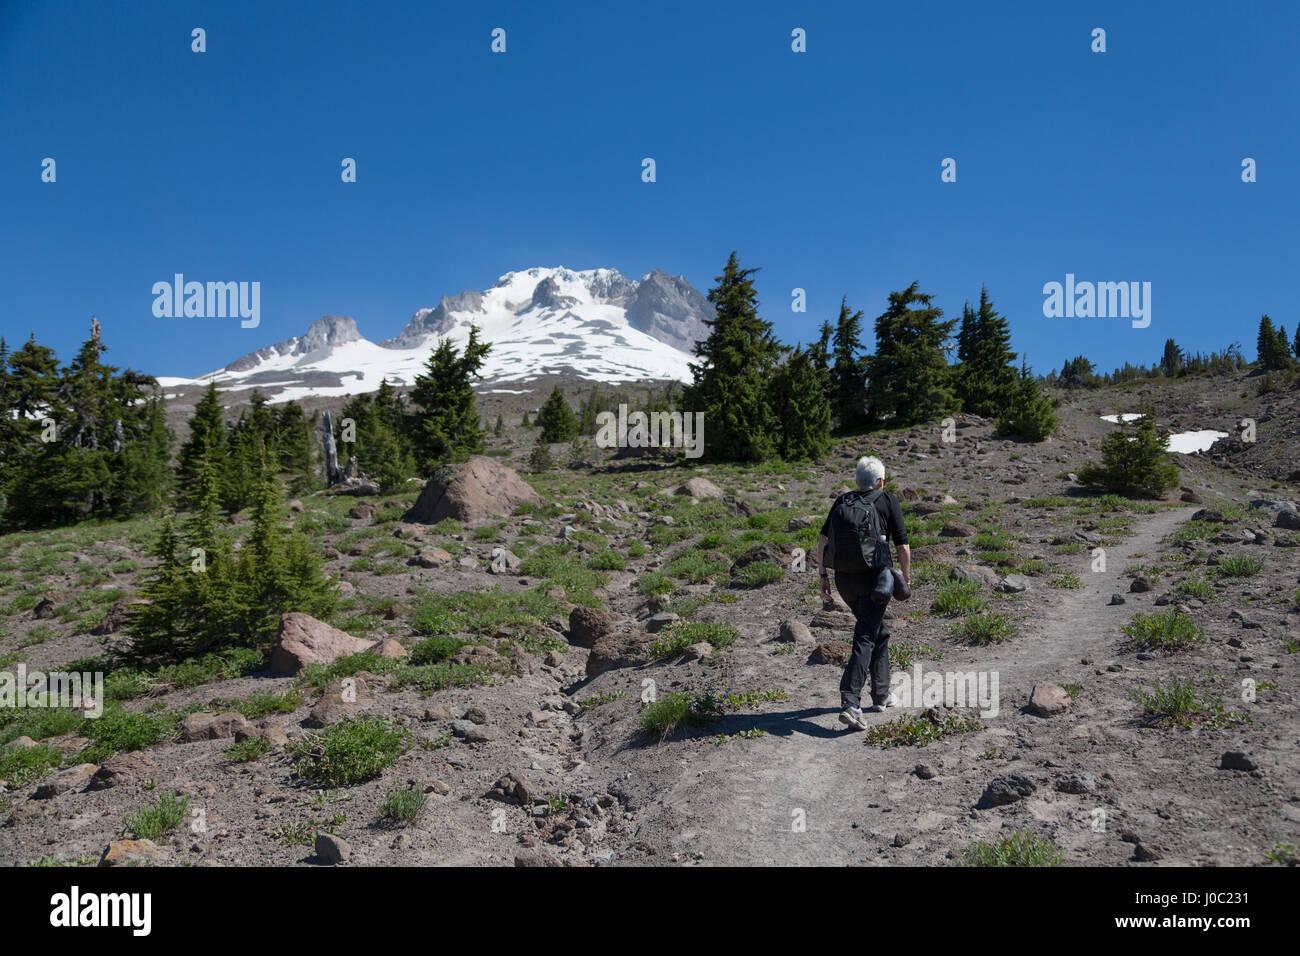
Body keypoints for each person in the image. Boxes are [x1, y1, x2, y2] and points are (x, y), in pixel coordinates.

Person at [817, 455, 910, 731]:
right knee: (866, 636)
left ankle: (881, 695)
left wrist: (822, 575)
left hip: (845, 580)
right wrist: (905, 577)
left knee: (879, 633)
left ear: (858, 481)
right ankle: (851, 703)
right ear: (881, 482)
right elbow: (903, 546)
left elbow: (823, 540)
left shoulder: (842, 501)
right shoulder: (888, 499)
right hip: (876, 582)